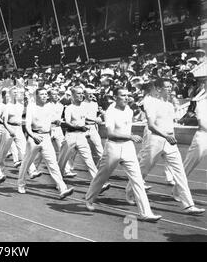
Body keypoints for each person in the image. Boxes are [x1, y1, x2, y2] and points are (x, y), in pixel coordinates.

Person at [85, 87, 162, 222]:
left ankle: (146, 213)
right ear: (115, 97)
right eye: (123, 95)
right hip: (113, 148)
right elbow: (110, 134)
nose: (126, 98)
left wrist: (129, 138)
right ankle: (89, 199)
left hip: (128, 148)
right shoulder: (110, 112)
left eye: (128, 95)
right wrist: (130, 136)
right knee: (101, 176)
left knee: (137, 179)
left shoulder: (129, 110)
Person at [129, 78, 204, 215]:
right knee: (144, 169)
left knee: (180, 172)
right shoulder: (151, 103)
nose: (170, 89)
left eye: (171, 87)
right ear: (158, 89)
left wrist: (171, 136)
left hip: (170, 141)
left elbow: (170, 123)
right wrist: (166, 136)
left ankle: (188, 205)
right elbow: (151, 125)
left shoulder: (169, 105)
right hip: (155, 140)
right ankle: (129, 191)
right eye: (167, 87)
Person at [17, 88, 74, 198]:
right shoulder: (31, 107)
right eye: (41, 94)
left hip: (46, 137)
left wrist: (55, 123)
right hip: (34, 137)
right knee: (27, 163)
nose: (44, 96)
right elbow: (27, 125)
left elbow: (49, 120)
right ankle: (21, 184)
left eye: (45, 94)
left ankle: (62, 188)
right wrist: (33, 136)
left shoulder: (48, 107)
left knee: (53, 164)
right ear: (36, 96)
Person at [58, 86, 100, 181]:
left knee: (89, 160)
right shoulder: (69, 108)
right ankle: (59, 182)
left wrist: (96, 120)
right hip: (70, 137)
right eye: (78, 93)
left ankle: (98, 182)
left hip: (81, 137)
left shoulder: (84, 107)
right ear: (72, 95)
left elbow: (87, 119)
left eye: (82, 93)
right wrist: (79, 127)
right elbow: (67, 123)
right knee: (62, 161)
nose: (81, 95)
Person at [183, 82, 207, 177]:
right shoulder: (201, 103)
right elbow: (202, 123)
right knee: (189, 164)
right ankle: (178, 187)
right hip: (203, 137)